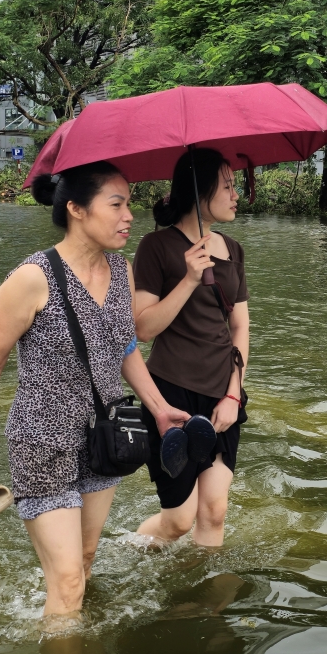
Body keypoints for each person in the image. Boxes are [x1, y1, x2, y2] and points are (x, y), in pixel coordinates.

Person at [0, 161, 188, 626]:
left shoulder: (122, 269)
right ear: (75, 208)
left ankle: (60, 625)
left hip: (104, 439)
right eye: (116, 204)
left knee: (86, 557)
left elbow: (124, 345)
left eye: (128, 204)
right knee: (71, 580)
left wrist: (158, 408)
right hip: (43, 443)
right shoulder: (33, 278)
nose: (128, 215)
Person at [132, 149, 249, 548]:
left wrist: (234, 394)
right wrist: (188, 279)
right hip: (172, 393)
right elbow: (143, 328)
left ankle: (205, 606)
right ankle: (126, 548)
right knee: (179, 521)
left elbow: (240, 326)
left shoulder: (233, 250)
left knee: (214, 511)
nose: (236, 195)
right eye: (228, 186)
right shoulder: (157, 247)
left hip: (223, 392)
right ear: (200, 191)